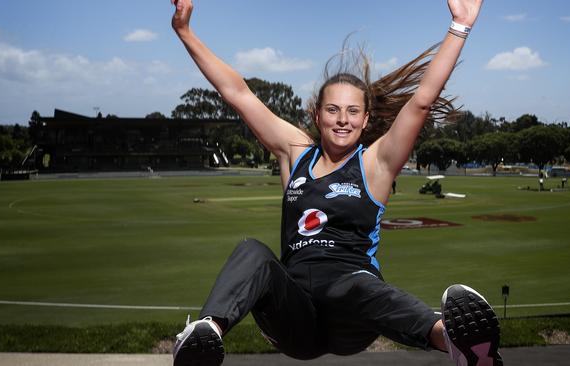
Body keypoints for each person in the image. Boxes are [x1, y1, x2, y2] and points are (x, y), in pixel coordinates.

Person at [169, 1, 502, 366]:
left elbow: (421, 103)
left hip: (351, 314)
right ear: (317, 114)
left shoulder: (375, 164)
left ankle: (457, 343)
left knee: (357, 284)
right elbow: (237, 93)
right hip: (295, 317)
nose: (342, 120)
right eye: (332, 110)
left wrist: (460, 26)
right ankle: (205, 337)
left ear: (365, 119)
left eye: (353, 111)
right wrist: (185, 32)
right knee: (254, 252)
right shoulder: (295, 154)